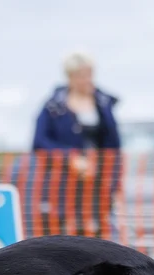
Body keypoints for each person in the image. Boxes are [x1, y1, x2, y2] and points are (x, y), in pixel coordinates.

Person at [30, 51, 122, 238]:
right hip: (62, 184)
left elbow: (113, 145)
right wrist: (70, 158)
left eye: (89, 74)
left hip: (97, 182)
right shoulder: (53, 107)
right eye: (81, 75)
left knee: (98, 233)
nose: (87, 79)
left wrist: (113, 181)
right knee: (65, 234)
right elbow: (40, 141)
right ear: (70, 77)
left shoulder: (103, 103)